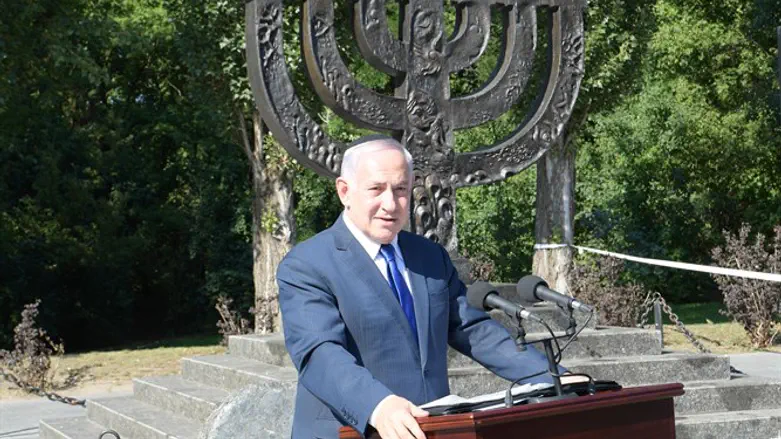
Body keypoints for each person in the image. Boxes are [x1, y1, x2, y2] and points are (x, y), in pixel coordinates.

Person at [277, 135, 566, 439]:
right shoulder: (307, 264)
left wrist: (556, 380)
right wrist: (378, 405)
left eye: (401, 190)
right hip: (351, 430)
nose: (390, 204)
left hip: (429, 428)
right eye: (376, 189)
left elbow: (474, 331)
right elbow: (319, 354)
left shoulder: (429, 256)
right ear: (344, 191)